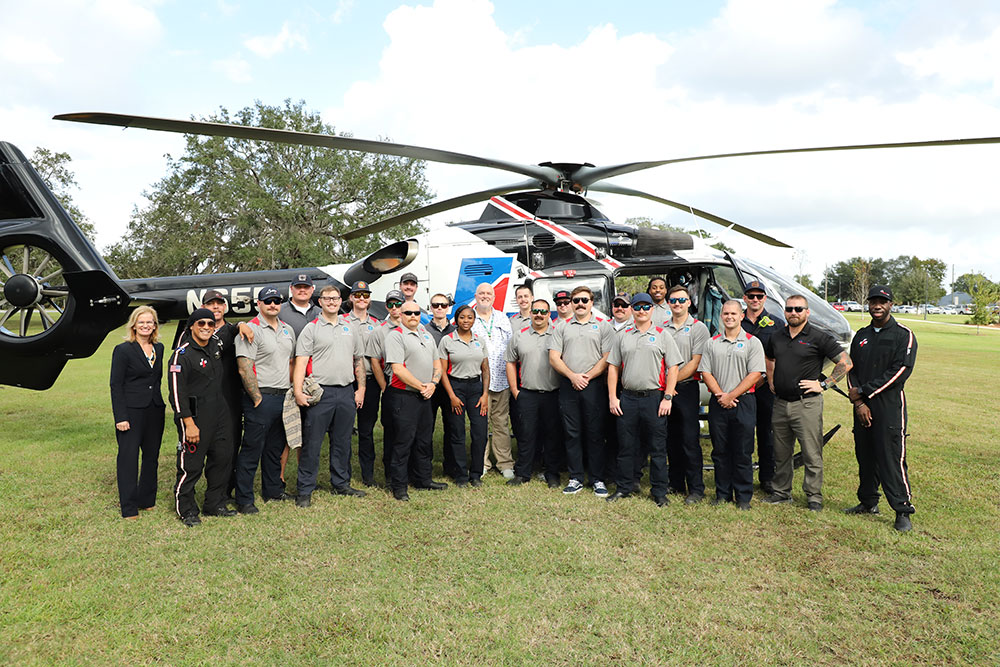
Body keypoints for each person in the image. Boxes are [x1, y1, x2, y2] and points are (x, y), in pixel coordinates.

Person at [763, 294, 852, 512]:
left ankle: (813, 496)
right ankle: (781, 492)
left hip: (807, 404)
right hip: (781, 403)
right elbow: (770, 358)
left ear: (807, 312)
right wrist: (772, 379)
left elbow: (846, 362)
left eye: (798, 309)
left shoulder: (819, 337)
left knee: (811, 452)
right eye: (790, 309)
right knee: (781, 452)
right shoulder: (777, 336)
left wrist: (824, 385)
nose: (793, 313)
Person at [846, 285, 917, 532]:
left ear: (890, 304)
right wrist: (859, 402)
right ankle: (867, 502)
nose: (877, 305)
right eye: (873, 301)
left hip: (888, 407)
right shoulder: (862, 335)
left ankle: (902, 510)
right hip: (862, 407)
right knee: (865, 456)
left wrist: (865, 392)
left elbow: (899, 371)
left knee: (890, 458)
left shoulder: (903, 335)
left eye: (882, 301)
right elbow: (851, 369)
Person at [293, 286, 367, 507]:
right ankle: (305, 490)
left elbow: (358, 361)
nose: (332, 302)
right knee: (312, 443)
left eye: (335, 298)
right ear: (321, 302)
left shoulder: (350, 327)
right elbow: (301, 362)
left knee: (342, 442)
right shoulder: (311, 328)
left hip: (346, 391)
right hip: (320, 392)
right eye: (327, 299)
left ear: (341, 300)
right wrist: (298, 391)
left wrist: (361, 388)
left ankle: (341, 483)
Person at [606, 293, 682, 506]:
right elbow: (613, 367)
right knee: (626, 446)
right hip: (628, 398)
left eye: (646, 307)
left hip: (654, 399)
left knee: (657, 448)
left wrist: (667, 396)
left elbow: (673, 367)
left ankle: (659, 491)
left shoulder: (662, 334)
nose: (641, 310)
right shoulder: (623, 335)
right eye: (637, 307)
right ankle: (624, 487)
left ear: (651, 309)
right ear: (632, 309)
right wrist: (613, 397)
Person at [167, 308, 235, 526]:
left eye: (210, 324)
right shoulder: (182, 355)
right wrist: (188, 423)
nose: (206, 327)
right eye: (201, 324)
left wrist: (241, 326)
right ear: (191, 327)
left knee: (223, 459)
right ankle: (186, 509)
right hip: (195, 418)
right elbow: (176, 394)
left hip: (220, 414)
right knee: (192, 465)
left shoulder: (216, 344)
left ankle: (214, 503)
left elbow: (228, 332)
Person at [234, 286, 297, 514]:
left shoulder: (288, 329)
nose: (273, 305)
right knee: (252, 449)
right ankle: (244, 499)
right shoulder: (251, 329)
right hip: (261, 397)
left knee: (275, 448)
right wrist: (256, 397)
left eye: (276, 301)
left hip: (283, 396)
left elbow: (290, 362)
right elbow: (244, 367)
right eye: (268, 301)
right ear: (258, 304)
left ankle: (273, 490)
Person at [549, 285, 614, 496]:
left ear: (591, 302)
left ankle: (597, 479)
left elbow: (607, 357)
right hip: (569, 385)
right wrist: (573, 376)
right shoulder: (562, 326)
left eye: (584, 300)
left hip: (593, 385)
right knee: (571, 433)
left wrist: (587, 376)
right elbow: (553, 357)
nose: (579, 304)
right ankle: (576, 477)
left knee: (595, 434)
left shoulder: (603, 326)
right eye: (575, 300)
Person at [700, 300, 766, 510]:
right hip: (718, 402)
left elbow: (755, 374)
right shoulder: (712, 343)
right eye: (726, 313)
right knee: (720, 450)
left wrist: (732, 396)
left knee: (742, 450)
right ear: (722, 316)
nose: (729, 317)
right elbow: (705, 372)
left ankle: (744, 496)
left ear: (741, 316)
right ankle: (723, 493)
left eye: (733, 314)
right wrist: (721, 395)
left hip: (744, 402)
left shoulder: (752, 342)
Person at [384, 301, 448, 500]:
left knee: (423, 440)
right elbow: (398, 369)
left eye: (416, 312)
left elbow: (437, 363)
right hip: (404, 396)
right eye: (408, 312)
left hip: (425, 395)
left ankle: (423, 479)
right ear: (401, 315)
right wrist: (422, 386)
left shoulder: (427, 335)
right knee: (403, 442)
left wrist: (433, 383)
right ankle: (399, 486)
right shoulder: (396, 336)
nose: (413, 315)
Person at [110, 305, 165, 519]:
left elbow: (156, 379)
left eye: (149, 322)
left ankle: (147, 499)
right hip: (131, 412)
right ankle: (129, 507)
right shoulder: (123, 350)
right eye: (141, 322)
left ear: (154, 326)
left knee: (151, 457)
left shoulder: (158, 348)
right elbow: (116, 385)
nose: (145, 325)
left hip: (154, 409)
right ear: (134, 325)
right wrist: (120, 417)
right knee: (128, 458)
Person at [506, 299, 563, 488]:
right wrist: (515, 390)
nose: (539, 315)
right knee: (525, 434)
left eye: (543, 312)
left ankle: (552, 474)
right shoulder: (519, 335)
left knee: (552, 435)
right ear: (530, 312)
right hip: (527, 393)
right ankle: (523, 473)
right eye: (536, 311)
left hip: (552, 393)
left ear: (549, 314)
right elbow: (510, 362)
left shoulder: (557, 334)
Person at [663, 284, 710, 504]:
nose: (677, 304)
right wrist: (667, 388)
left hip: (686, 388)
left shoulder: (698, 328)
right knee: (671, 439)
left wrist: (672, 384)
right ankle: (675, 483)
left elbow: (696, 362)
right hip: (666, 390)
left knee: (690, 440)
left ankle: (696, 489)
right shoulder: (662, 328)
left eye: (682, 300)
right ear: (668, 303)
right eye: (673, 301)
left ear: (689, 302)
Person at [200, 290, 248, 501]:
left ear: (225, 308)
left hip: (230, 398)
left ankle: (227, 490)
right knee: (206, 447)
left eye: (220, 304)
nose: (216, 307)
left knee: (230, 446)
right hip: (204, 400)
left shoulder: (234, 330)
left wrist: (241, 325)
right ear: (203, 307)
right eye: (211, 304)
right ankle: (209, 490)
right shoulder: (193, 331)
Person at [437, 305, 489, 487]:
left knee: (480, 433)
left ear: (474, 320)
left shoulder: (479, 341)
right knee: (457, 432)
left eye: (470, 317)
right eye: (462, 317)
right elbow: (442, 371)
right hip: (455, 387)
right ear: (456, 319)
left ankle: (476, 473)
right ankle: (460, 475)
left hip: (476, 388)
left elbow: (485, 369)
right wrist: (451, 395)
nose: (466, 321)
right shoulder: (447, 340)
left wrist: (485, 395)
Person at [740, 280, 783, 495]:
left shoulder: (776, 323)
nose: (755, 300)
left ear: (765, 298)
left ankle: (767, 478)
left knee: (767, 434)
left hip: (766, 388)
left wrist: (768, 378)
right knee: (743, 433)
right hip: (741, 387)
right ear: (745, 298)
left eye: (759, 296)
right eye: (751, 296)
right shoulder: (736, 320)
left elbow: (782, 354)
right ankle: (743, 476)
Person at [470, 282, 515, 479]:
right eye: (481, 293)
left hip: (502, 379)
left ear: (494, 297)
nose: (485, 296)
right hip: (479, 382)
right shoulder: (469, 318)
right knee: (481, 424)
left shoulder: (502, 318)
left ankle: (505, 463)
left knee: (501, 423)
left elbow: (511, 346)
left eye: (489, 293)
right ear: (476, 296)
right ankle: (482, 463)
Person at [367, 290, 406, 483]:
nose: (395, 308)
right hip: (392, 385)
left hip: (413, 388)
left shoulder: (415, 326)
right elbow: (374, 361)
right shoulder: (379, 330)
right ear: (386, 306)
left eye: (398, 304)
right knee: (392, 430)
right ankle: (391, 474)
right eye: (391, 304)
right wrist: (384, 386)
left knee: (410, 429)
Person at [345, 281, 381, 487]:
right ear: (351, 298)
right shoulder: (341, 321)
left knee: (366, 430)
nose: (361, 299)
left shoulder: (376, 324)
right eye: (357, 295)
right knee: (343, 430)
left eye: (365, 295)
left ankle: (368, 476)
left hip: (370, 381)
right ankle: (344, 474)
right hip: (346, 381)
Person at [425, 293, 459, 479]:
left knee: (452, 428)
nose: (439, 308)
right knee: (426, 428)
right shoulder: (423, 330)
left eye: (443, 305)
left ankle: (451, 467)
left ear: (449, 308)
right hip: (428, 385)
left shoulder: (456, 330)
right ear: (430, 307)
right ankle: (425, 468)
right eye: (436, 305)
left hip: (449, 386)